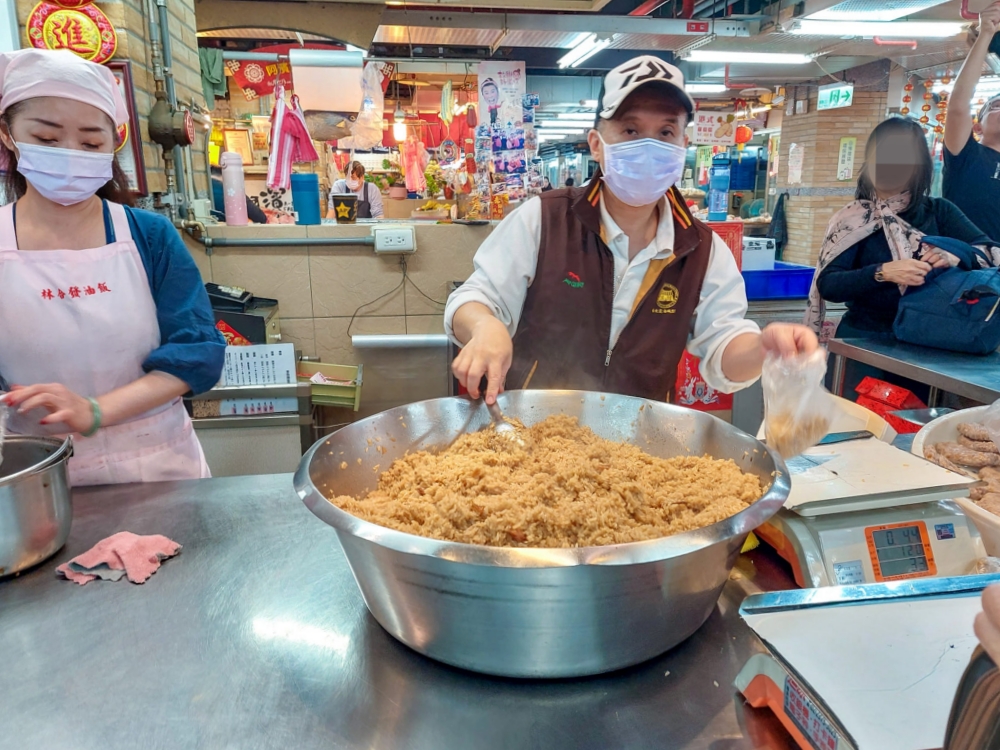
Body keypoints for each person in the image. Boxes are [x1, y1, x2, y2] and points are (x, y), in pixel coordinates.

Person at [445, 55, 817, 404]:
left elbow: (723, 351)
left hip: (639, 444)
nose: (649, 146)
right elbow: (474, 298)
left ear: (683, 145)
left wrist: (764, 348)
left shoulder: (701, 249)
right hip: (532, 432)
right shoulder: (544, 218)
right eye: (630, 129)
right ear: (597, 144)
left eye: (666, 131)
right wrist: (485, 327)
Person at [0, 48, 225, 485]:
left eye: (90, 143)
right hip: (36, 476)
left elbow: (198, 354)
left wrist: (95, 411)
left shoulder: (149, 236)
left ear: (112, 142)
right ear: (8, 135)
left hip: (160, 463)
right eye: (47, 139)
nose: (69, 154)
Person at [810, 116, 993, 399]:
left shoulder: (938, 212)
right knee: (854, 430)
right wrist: (883, 271)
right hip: (862, 342)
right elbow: (829, 284)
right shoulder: (853, 219)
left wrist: (954, 254)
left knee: (912, 432)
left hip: (926, 346)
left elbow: (990, 251)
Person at [944, 1, 1000, 245]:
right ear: (977, 127)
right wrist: (985, 34)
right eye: (996, 106)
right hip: (967, 273)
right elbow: (958, 105)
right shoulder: (966, 157)